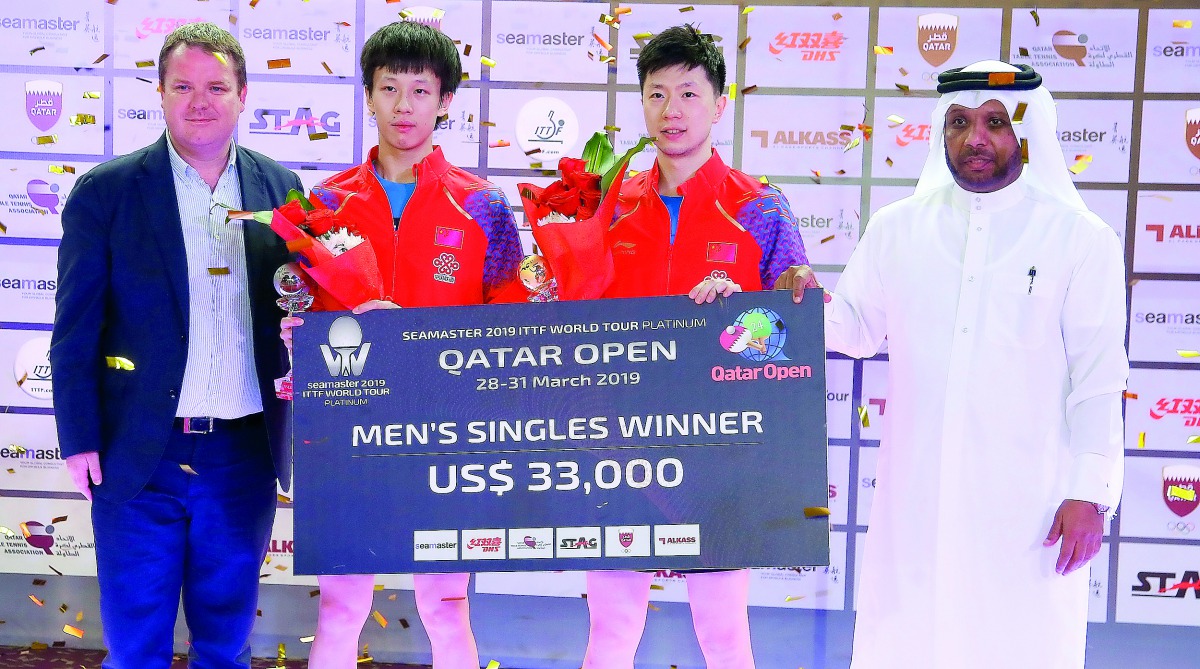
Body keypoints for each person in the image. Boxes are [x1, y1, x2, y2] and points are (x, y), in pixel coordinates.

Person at [779, 61, 1127, 669]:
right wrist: (790, 303)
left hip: (1030, 505)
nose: (976, 139)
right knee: (910, 643)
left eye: (996, 123)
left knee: (1023, 646)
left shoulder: (1080, 239)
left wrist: (1090, 494)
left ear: (1027, 133)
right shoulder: (898, 229)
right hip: (918, 501)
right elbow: (855, 329)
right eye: (960, 122)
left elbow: (1098, 380)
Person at [50, 23, 302, 668]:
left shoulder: (283, 191)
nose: (200, 101)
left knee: (226, 642)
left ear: (243, 95)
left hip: (243, 453)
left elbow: (301, 311)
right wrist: (78, 436)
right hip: (137, 453)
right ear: (159, 93)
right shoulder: (105, 194)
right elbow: (74, 330)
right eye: (183, 86)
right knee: (136, 646)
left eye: (217, 86)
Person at [282, 20, 523, 669]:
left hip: (448, 435)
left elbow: (510, 326)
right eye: (390, 87)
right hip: (347, 435)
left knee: (447, 607)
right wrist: (300, 333)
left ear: (445, 100)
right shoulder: (324, 203)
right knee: (339, 606)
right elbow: (300, 310)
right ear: (368, 95)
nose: (404, 105)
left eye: (420, 90)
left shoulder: (485, 208)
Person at [579, 25, 809, 669]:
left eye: (687, 92)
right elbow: (574, 319)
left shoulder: (760, 208)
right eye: (656, 94)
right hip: (618, 440)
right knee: (610, 628)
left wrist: (741, 312)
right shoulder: (607, 205)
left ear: (719, 104)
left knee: (724, 632)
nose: (671, 110)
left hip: (719, 448)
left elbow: (790, 335)